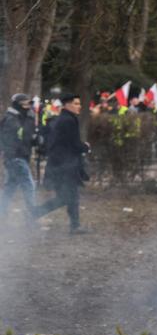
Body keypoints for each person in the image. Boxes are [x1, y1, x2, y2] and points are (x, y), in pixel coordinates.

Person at [33, 94, 90, 234]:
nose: (79, 106)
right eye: (76, 103)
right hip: (65, 166)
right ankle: (36, 213)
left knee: (69, 197)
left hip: (61, 165)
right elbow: (74, 144)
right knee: (67, 197)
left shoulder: (63, 119)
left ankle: (74, 226)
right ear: (67, 105)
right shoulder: (68, 120)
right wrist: (86, 147)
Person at [0, 93, 38, 222]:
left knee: (9, 188)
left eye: (29, 103)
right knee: (29, 185)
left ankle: (1, 213)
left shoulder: (27, 117)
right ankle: (32, 214)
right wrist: (12, 157)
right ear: (18, 105)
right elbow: (6, 140)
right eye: (25, 103)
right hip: (16, 158)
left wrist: (36, 140)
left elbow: (27, 136)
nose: (28, 106)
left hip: (22, 156)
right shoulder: (11, 119)